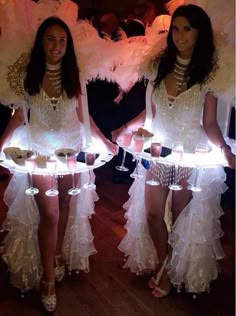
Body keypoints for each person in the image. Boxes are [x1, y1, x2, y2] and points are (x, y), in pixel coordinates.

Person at [112, 4, 235, 298]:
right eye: (176, 29)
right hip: (158, 151)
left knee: (180, 217)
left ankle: (168, 270)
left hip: (189, 154)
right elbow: (151, 113)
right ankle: (168, 261)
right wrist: (126, 127)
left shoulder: (209, 75)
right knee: (154, 213)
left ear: (199, 33)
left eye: (187, 29)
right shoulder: (159, 65)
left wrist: (225, 151)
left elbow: (209, 124)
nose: (180, 35)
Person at [0, 17, 118, 312]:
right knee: (49, 213)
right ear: (41, 41)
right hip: (39, 154)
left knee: (64, 204)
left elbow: (83, 116)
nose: (56, 46)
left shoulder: (73, 76)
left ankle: (54, 256)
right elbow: (18, 116)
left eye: (62, 41)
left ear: (68, 46)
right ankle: (48, 280)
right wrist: (1, 144)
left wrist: (104, 141)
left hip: (72, 152)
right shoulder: (27, 74)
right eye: (51, 39)